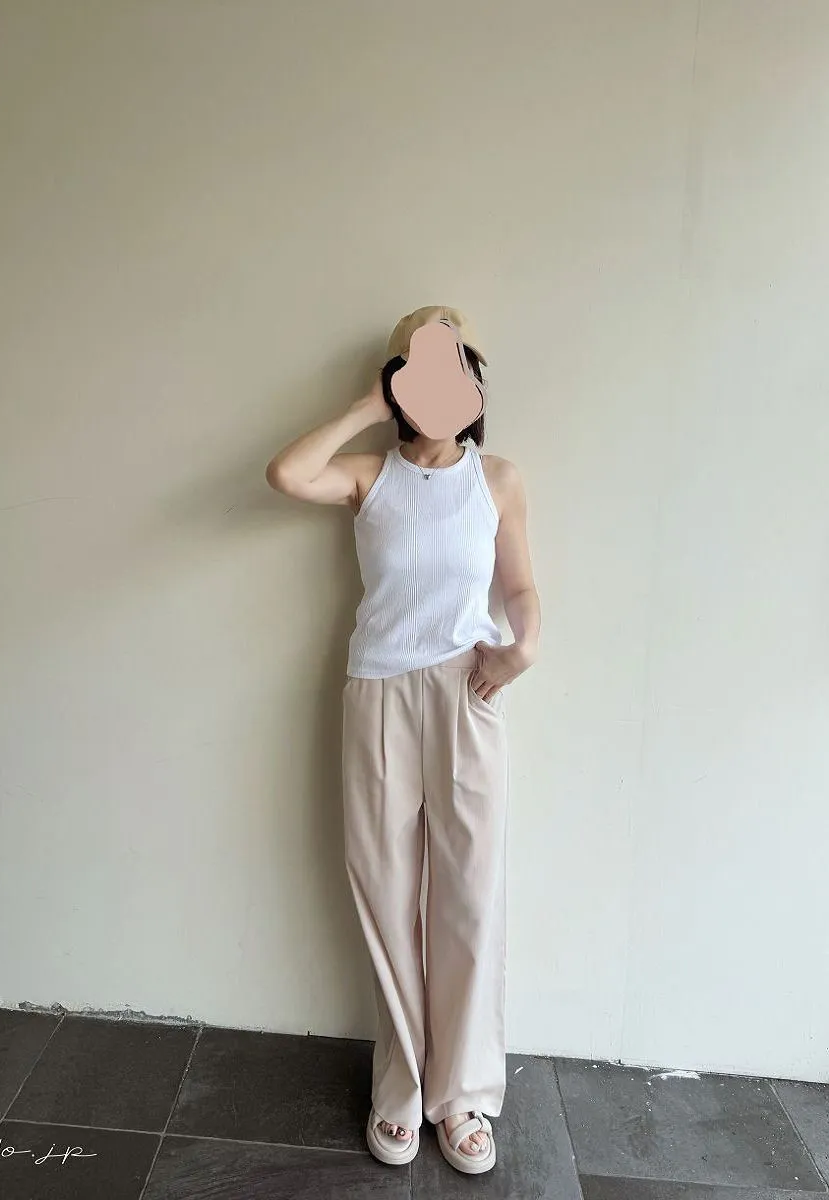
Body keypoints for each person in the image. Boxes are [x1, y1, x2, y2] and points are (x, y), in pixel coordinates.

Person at [265, 306, 540, 1175]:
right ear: (396, 384)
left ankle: (462, 1097)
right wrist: (363, 406)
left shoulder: (497, 480)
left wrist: (524, 646)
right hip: (378, 691)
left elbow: (521, 588)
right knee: (385, 894)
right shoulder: (367, 477)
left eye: (454, 366)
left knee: (468, 898)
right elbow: (285, 473)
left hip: (468, 689)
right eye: (418, 368)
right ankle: (401, 1085)